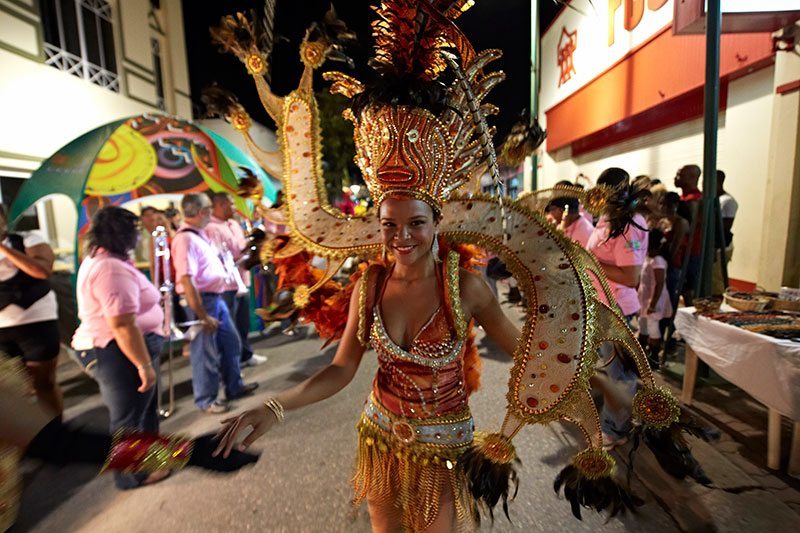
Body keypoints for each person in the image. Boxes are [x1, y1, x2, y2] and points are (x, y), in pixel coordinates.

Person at [73, 206, 169, 489]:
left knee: (142, 412)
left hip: (122, 346)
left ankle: (150, 461)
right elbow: (123, 325)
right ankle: (131, 477)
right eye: (135, 232)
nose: (139, 237)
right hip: (115, 349)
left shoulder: (107, 259)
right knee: (128, 417)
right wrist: (144, 366)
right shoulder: (110, 268)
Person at [170, 193, 258, 414]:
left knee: (231, 343)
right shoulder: (186, 239)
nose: (211, 213)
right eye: (209, 209)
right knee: (204, 352)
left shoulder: (197, 235)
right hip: (202, 302)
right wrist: (201, 314)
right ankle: (206, 399)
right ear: (201, 212)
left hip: (214, 299)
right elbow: (186, 279)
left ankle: (234, 386)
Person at [586, 167, 649, 445]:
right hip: (599, 305)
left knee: (618, 373)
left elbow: (630, 276)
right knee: (605, 369)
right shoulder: (607, 219)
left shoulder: (630, 224)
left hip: (617, 308)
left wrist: (591, 263)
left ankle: (616, 429)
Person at [0, 206, 62, 416]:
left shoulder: (27, 239)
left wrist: (4, 249)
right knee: (11, 389)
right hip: (2, 326)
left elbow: (41, 270)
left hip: (36, 321)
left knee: (43, 384)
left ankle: (56, 436)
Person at [205, 192, 267, 367]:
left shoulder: (233, 223)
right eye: (230, 204)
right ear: (219, 206)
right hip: (226, 286)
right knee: (229, 326)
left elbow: (241, 247)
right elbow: (218, 256)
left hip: (242, 278)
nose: (234, 208)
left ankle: (245, 354)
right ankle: (232, 363)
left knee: (243, 322)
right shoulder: (212, 228)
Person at [638, 229, 672, 369]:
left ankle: (653, 358)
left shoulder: (658, 260)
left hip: (654, 299)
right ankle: (642, 356)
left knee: (653, 327)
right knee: (643, 325)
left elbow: (659, 284)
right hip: (645, 298)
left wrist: (652, 304)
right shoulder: (649, 257)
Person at [674, 164, 703, 305]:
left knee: (688, 289)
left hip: (690, 251)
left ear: (692, 177)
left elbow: (688, 228)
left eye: (680, 175)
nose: (676, 178)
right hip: (682, 250)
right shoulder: (683, 199)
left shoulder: (694, 200)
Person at [712, 170, 737, 296]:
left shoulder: (727, 201)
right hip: (712, 246)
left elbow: (724, 228)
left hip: (720, 247)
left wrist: (715, 246)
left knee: (716, 280)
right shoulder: (713, 199)